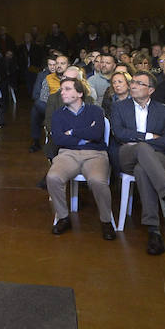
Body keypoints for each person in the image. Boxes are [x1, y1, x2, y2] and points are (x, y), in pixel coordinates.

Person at [110, 70, 165, 254]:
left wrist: (139, 140)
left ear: (150, 90)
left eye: (139, 83)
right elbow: (119, 134)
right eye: (133, 82)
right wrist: (149, 136)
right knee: (143, 148)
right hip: (127, 154)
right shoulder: (119, 107)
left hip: (159, 156)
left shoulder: (164, 110)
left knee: (142, 170)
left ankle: (154, 231)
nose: (133, 85)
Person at [44, 78, 115, 239]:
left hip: (95, 153)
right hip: (68, 153)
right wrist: (84, 133)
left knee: (97, 181)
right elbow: (60, 140)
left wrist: (72, 132)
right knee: (53, 177)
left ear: (80, 93)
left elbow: (97, 134)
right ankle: (63, 217)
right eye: (62, 89)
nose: (63, 92)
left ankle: (106, 221)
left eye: (67, 89)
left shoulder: (95, 111)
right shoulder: (58, 114)